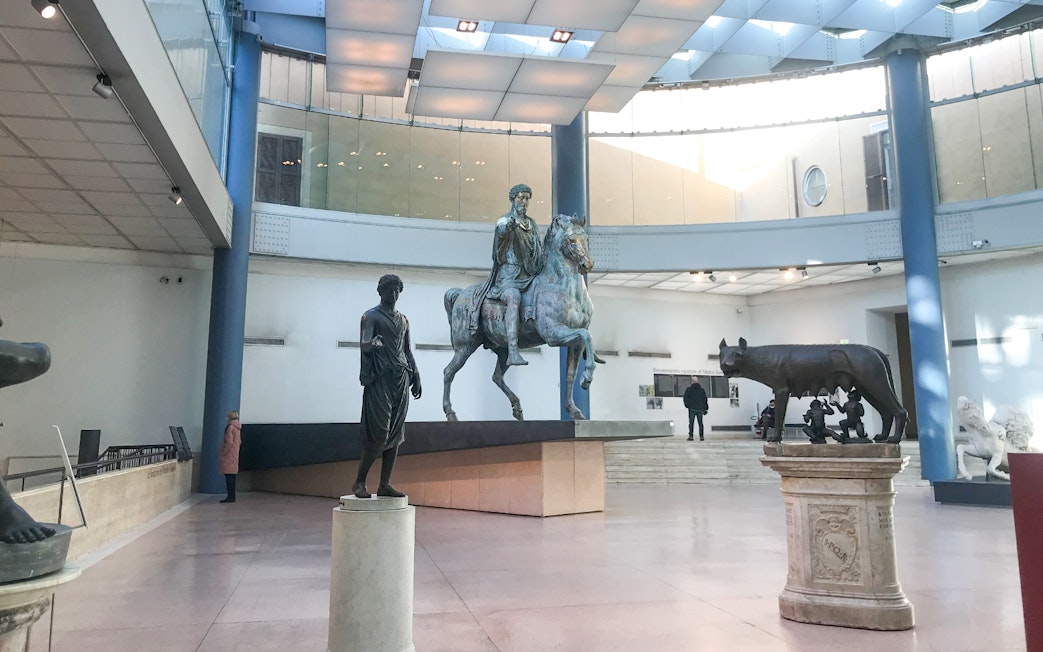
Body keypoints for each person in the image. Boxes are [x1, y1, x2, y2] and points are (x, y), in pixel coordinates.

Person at [353, 274, 422, 499]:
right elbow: (364, 344)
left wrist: (417, 375)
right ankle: (359, 482)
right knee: (380, 433)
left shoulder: (403, 319)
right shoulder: (370, 316)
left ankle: (384, 484)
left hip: (401, 378)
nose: (393, 295)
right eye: (389, 290)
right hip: (380, 378)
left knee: (396, 433)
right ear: (380, 291)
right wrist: (374, 343)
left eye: (397, 291)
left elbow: (407, 349)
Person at [468, 183, 544, 367]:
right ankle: (512, 350)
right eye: (521, 198)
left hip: (529, 274)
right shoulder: (504, 221)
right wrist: (508, 228)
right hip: (508, 277)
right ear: (513, 199)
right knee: (514, 297)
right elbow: (501, 233)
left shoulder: (531, 223)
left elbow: (538, 248)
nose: (524, 202)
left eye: (527, 198)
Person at [219, 410, 241, 503]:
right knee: (232, 476)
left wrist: (223, 451)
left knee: (229, 477)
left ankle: (230, 496)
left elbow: (229, 442)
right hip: (235, 454)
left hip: (229, 455)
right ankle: (232, 496)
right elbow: (239, 441)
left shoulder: (230, 427)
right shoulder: (237, 428)